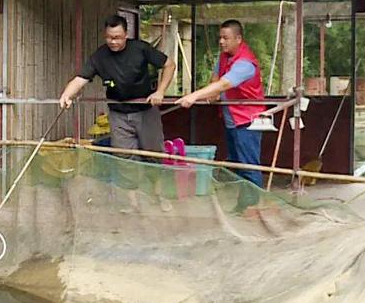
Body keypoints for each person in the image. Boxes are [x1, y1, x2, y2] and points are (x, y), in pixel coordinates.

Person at [175, 19, 265, 200]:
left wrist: (193, 96)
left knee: (249, 166)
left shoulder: (245, 64)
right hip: (232, 120)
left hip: (247, 122)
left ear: (238, 38)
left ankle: (255, 206)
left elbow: (224, 84)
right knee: (238, 164)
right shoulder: (224, 56)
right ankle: (244, 204)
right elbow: (216, 81)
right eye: (220, 38)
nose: (221, 42)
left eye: (226, 38)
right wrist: (210, 94)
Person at [59, 14, 175, 152]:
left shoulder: (141, 49)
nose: (113, 42)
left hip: (145, 111)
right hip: (118, 114)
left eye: (117, 38)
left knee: (154, 154)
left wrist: (160, 91)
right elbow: (80, 79)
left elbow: (169, 65)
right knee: (124, 157)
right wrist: (66, 94)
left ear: (126, 34)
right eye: (109, 37)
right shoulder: (100, 56)